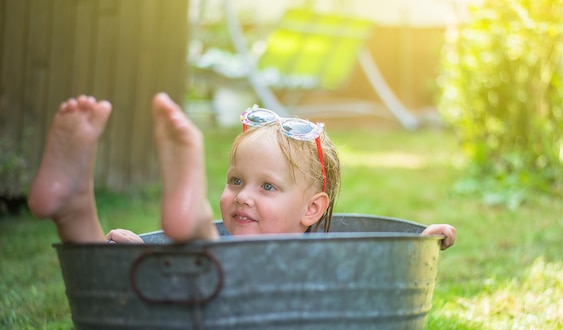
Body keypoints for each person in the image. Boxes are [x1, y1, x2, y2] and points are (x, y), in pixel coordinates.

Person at [28, 93, 456, 250]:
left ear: (312, 209)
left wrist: (417, 246)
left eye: (267, 186)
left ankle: (187, 223)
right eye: (236, 181)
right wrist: (140, 250)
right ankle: (73, 207)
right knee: (127, 278)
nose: (242, 196)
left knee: (200, 259)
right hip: (199, 317)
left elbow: (373, 275)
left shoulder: (321, 256)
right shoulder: (226, 239)